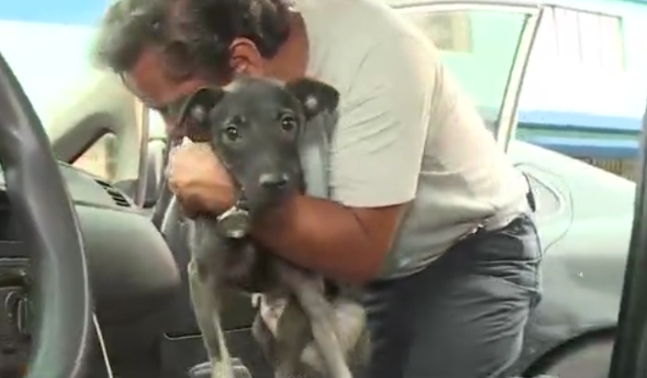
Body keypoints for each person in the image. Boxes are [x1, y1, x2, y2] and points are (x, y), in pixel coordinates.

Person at [92, 0, 542, 377]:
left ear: (242, 64)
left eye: (175, 108)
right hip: (369, 268)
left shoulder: (379, 58)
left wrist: (233, 199)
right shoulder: (255, 103)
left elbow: (360, 248)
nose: (175, 131)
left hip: (466, 256)